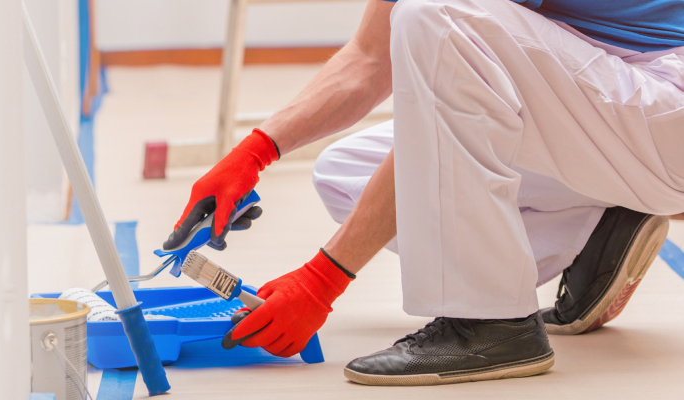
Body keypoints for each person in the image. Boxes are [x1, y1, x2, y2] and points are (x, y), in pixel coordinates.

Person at [166, 0, 684, 386]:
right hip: (607, 101)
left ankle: (491, 323)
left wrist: (321, 281)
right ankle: (598, 227)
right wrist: (253, 153)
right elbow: (369, 59)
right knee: (345, 172)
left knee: (436, 18)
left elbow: (440, 67)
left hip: (662, 102)